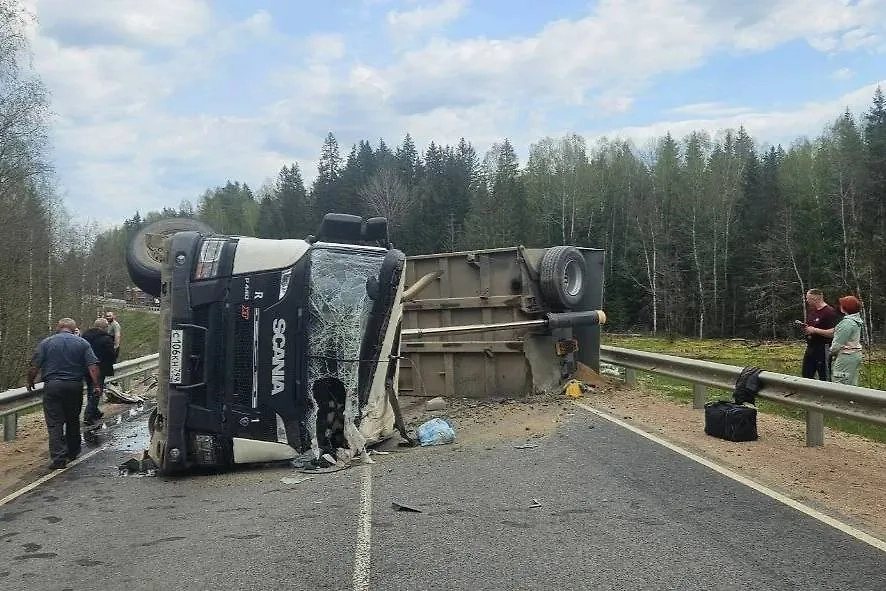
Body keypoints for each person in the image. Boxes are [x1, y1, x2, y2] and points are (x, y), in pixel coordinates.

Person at [27, 318, 102, 470]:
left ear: (59, 327)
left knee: (55, 423)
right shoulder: (82, 343)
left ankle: (58, 458)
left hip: (53, 386)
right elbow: (93, 367)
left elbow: (35, 366)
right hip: (74, 386)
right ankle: (73, 451)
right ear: (74, 329)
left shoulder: (46, 343)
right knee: (72, 419)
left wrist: (30, 381)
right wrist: (96, 385)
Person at [81, 317, 116, 425]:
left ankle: (95, 411)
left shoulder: (84, 336)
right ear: (104, 327)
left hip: (86, 367)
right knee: (97, 390)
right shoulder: (106, 339)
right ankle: (89, 415)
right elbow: (112, 355)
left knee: (91, 389)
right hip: (100, 368)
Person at [801, 289, 838, 380]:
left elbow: (834, 332)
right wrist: (806, 329)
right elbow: (811, 327)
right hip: (811, 347)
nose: (806, 301)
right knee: (806, 374)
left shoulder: (829, 312)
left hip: (823, 348)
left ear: (814, 299)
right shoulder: (814, 311)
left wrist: (815, 330)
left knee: (824, 375)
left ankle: (827, 393)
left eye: (808, 298)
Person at [828, 296, 864, 386]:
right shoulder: (856, 320)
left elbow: (838, 343)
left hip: (846, 355)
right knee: (850, 382)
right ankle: (851, 399)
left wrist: (831, 352)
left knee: (840, 381)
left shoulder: (847, 323)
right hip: (854, 354)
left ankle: (842, 400)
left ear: (844, 308)